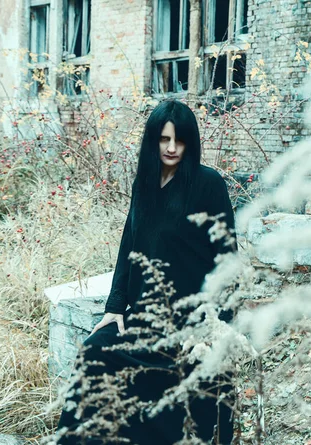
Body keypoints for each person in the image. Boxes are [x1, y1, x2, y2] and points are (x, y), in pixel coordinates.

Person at [56, 99, 236, 444]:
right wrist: (114, 306)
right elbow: (129, 245)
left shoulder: (208, 184)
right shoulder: (145, 183)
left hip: (191, 319)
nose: (171, 148)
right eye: (164, 139)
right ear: (152, 140)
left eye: (179, 140)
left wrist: (217, 326)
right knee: (94, 351)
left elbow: (228, 258)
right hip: (144, 317)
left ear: (190, 142)